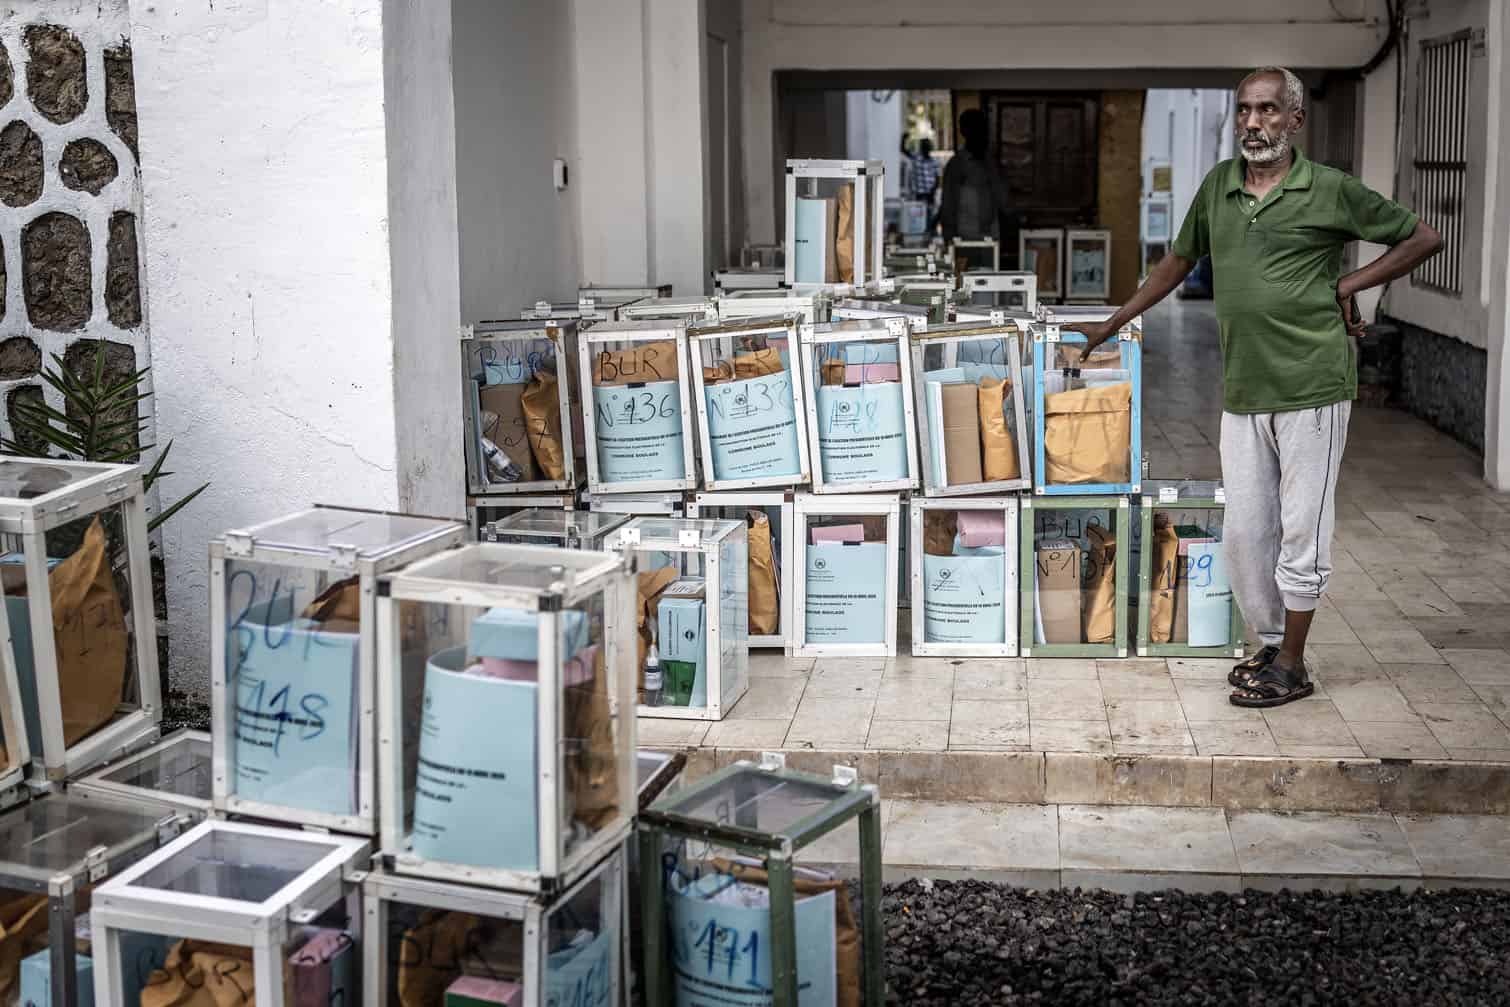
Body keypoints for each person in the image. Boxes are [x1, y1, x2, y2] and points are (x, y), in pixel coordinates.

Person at [1066, 67, 1442, 709]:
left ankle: (1293, 664)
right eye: (1244, 110)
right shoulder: (1220, 186)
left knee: (1303, 530)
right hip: (1243, 390)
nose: (1253, 122)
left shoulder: (1329, 190)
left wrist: (1352, 285)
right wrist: (1109, 324)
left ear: (1295, 120)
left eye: (1268, 110)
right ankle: (1271, 642)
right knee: (1245, 533)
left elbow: (1422, 237)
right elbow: (1176, 262)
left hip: (1314, 388)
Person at [938, 108, 1009, 242]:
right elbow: (948, 205)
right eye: (975, 129)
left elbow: (1003, 200)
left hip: (991, 239)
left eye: (982, 129)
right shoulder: (956, 164)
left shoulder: (992, 163)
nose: (981, 134)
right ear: (964, 132)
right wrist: (949, 238)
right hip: (964, 240)